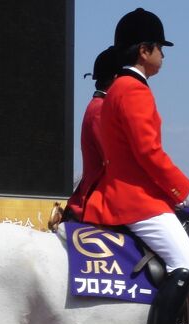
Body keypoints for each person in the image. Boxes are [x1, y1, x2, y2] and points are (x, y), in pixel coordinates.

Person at [83, 8, 189, 324]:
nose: (163, 56)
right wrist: (187, 190)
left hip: (129, 193)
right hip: (135, 199)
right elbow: (149, 153)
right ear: (144, 50)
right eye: (160, 48)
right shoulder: (133, 90)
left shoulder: (118, 89)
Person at [63, 46, 120, 221]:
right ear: (116, 78)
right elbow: (113, 160)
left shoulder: (101, 106)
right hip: (98, 199)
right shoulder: (100, 110)